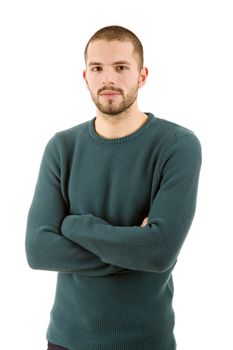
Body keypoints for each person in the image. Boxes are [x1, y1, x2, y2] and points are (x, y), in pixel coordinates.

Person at [25, 25, 202, 350]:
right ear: (86, 77)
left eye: (121, 67)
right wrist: (135, 246)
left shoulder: (177, 145)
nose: (109, 78)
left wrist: (73, 225)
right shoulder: (62, 147)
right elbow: (38, 251)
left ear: (142, 75)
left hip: (145, 342)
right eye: (97, 68)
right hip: (65, 340)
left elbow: (159, 251)